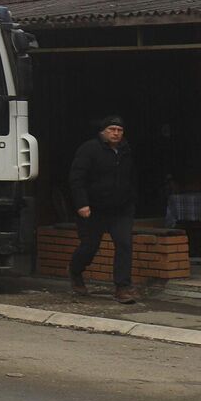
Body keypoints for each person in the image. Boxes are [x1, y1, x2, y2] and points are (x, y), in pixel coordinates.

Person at [69, 116, 140, 304]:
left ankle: (122, 287)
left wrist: (131, 198)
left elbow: (132, 176)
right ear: (103, 132)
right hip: (94, 209)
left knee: (124, 244)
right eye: (112, 129)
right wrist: (82, 204)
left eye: (119, 130)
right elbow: (77, 178)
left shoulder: (126, 150)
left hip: (121, 208)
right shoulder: (90, 149)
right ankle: (76, 271)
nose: (116, 133)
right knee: (89, 247)